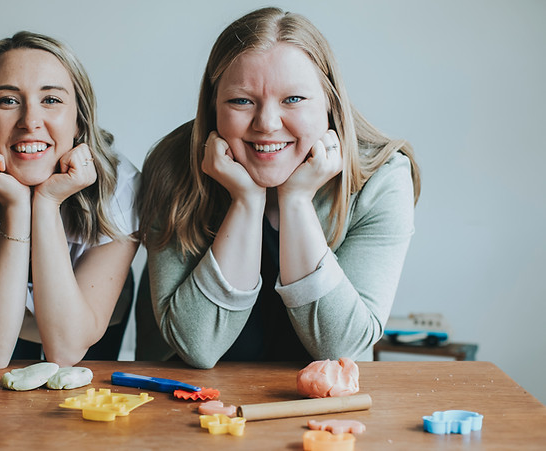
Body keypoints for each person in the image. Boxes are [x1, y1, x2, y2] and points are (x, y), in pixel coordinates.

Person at [135, 7, 420, 368]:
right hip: (188, 403)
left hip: (325, 412)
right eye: (241, 100)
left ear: (330, 101)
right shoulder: (174, 167)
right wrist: (246, 201)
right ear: (213, 105)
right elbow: (196, 346)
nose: (267, 124)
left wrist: (297, 201)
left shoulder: (382, 177)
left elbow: (341, 347)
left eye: (293, 99)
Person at [0, 32, 139, 369]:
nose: (30, 121)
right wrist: (16, 208)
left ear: (79, 119)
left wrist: (46, 203)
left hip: (83, 315)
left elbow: (67, 350)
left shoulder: (120, 186)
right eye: (8, 101)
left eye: (51, 100)